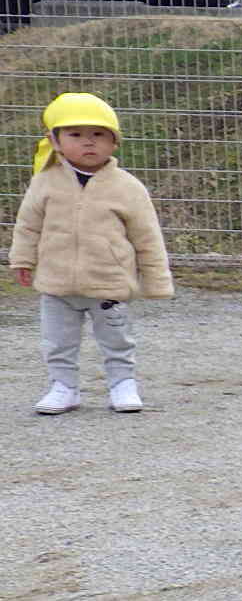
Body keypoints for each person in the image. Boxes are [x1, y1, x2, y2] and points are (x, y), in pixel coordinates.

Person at [10, 93, 173, 415]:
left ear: (114, 143)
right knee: (57, 343)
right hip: (56, 285)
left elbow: (148, 238)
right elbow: (28, 225)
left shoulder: (128, 187)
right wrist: (22, 260)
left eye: (99, 135)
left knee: (117, 340)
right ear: (54, 141)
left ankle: (123, 384)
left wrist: (157, 282)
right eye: (75, 135)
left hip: (108, 285)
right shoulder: (44, 182)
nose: (88, 143)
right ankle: (64, 387)